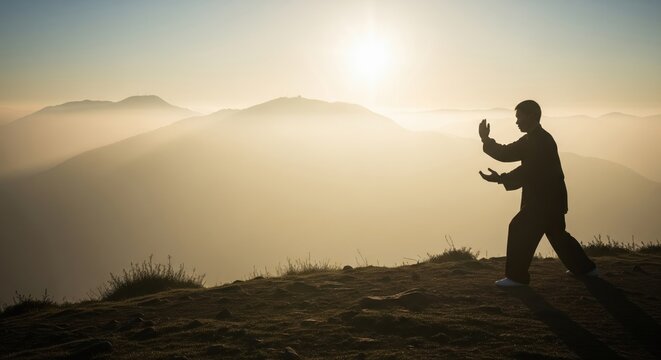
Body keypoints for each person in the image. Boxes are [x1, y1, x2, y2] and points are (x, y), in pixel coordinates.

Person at [478, 100, 597, 287]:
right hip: (553, 199)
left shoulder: (537, 141)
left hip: (542, 201)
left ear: (532, 116)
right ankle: (585, 269)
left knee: (518, 228)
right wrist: (487, 141)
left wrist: (500, 178)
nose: (516, 122)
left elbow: (526, 171)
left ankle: (516, 278)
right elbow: (507, 152)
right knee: (557, 233)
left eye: (519, 117)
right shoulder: (536, 138)